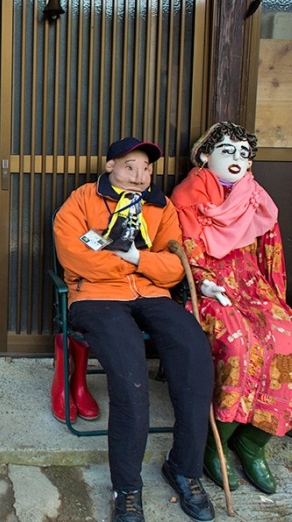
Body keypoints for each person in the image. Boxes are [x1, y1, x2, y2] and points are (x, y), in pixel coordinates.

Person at [54, 137, 215, 522]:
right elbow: (77, 258)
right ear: (110, 166)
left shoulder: (161, 206)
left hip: (152, 294)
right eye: (130, 166)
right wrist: (139, 261)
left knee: (195, 355)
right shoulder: (82, 200)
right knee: (130, 374)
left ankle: (184, 468)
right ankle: (126, 488)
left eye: (146, 168)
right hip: (96, 296)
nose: (140, 175)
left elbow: (174, 268)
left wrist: (135, 258)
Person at [170, 121, 292, 495]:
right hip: (209, 289)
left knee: (284, 340)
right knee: (238, 345)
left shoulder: (256, 198)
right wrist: (201, 283)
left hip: (254, 288)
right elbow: (181, 251)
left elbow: (271, 257)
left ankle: (253, 442)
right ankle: (218, 442)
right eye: (227, 150)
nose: (237, 159)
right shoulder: (187, 198)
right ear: (204, 155)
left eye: (244, 153)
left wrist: (275, 300)